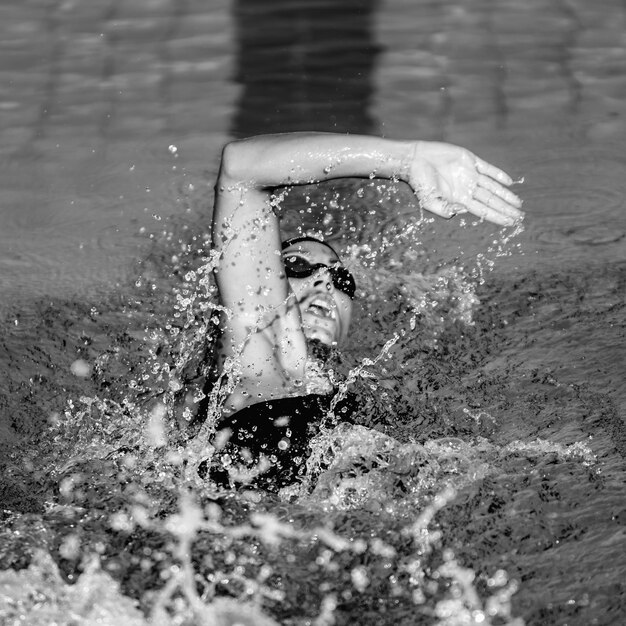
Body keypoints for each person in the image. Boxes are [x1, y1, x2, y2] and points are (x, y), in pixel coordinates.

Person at [207, 132, 523, 490]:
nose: (324, 284)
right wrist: (407, 159)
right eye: (297, 267)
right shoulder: (255, 355)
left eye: (341, 280)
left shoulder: (362, 396)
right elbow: (239, 170)